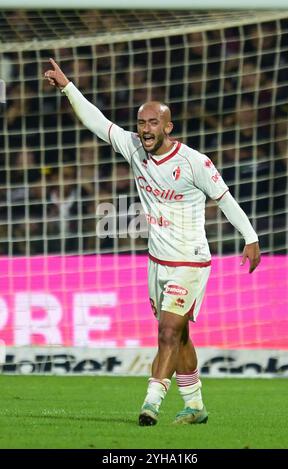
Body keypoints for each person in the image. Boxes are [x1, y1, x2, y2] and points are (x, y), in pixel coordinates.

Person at [45, 58, 261, 426]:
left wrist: (251, 237)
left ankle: (151, 402)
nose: (145, 129)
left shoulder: (194, 162)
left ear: (168, 126)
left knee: (167, 332)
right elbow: (97, 122)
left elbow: (225, 199)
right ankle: (194, 405)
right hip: (156, 261)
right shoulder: (133, 148)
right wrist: (68, 87)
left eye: (153, 123)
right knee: (180, 336)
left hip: (190, 261)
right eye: (142, 122)